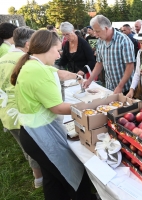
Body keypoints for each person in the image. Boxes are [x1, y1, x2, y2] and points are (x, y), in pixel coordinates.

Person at [10, 30, 94, 199]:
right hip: (40, 135)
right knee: (73, 175)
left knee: (52, 180)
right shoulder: (37, 71)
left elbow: (58, 73)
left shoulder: (33, 64)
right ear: (47, 48)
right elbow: (58, 108)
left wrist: (77, 77)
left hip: (32, 132)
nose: (58, 55)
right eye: (57, 50)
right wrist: (88, 106)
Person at [0, 27, 43, 188]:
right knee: (34, 145)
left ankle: (37, 175)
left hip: (6, 111)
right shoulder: (25, 60)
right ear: (27, 44)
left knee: (24, 144)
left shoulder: (4, 57)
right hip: (22, 110)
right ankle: (39, 178)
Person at [83, 15, 135, 94]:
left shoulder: (123, 40)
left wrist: (120, 86)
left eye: (97, 31)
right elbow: (99, 63)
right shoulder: (100, 41)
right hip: (110, 87)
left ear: (106, 28)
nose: (96, 35)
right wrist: (89, 80)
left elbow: (130, 65)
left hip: (126, 88)